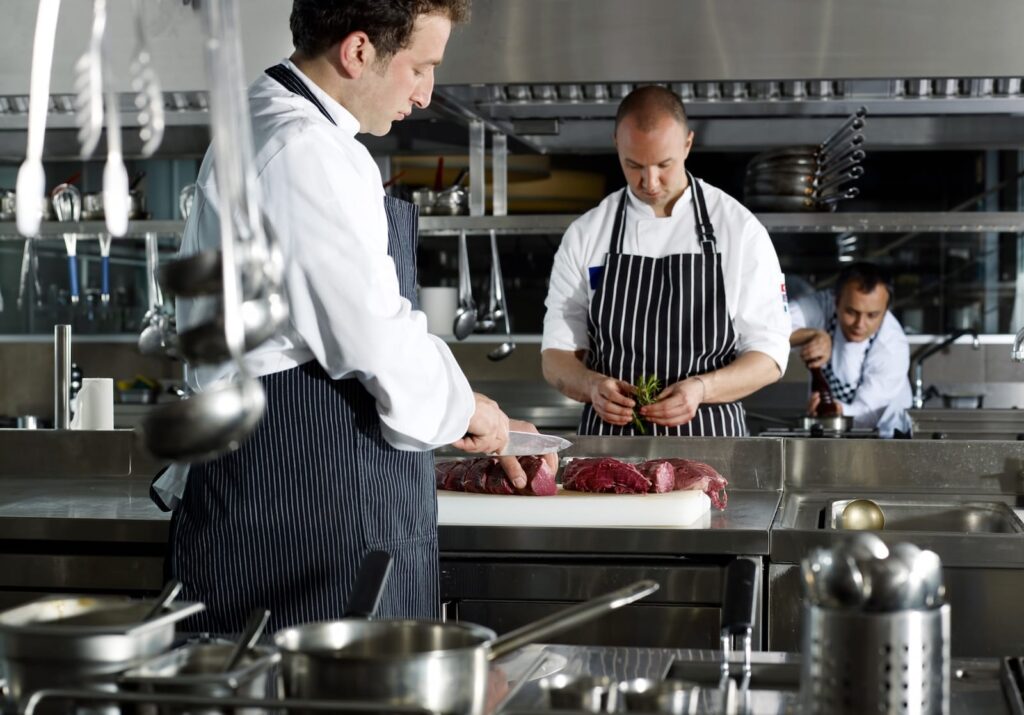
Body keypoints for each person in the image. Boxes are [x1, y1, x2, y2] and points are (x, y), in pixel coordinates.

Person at [166, 0, 552, 634]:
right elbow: (371, 338)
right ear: (358, 51)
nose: (425, 95)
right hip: (306, 506)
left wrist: (461, 407)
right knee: (330, 681)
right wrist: (468, 410)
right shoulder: (303, 149)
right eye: (420, 68)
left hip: (282, 491)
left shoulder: (269, 125)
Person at [541, 85, 791, 436]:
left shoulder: (739, 229)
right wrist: (590, 385)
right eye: (633, 165)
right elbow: (556, 357)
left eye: (664, 164)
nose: (650, 182)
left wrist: (701, 389)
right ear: (617, 144)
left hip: (711, 444)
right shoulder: (587, 233)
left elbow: (770, 356)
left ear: (687, 144)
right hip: (611, 448)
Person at [789, 262, 913, 437]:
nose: (860, 324)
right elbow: (773, 328)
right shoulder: (823, 306)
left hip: (886, 435)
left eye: (872, 315)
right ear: (836, 301)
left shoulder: (892, 346)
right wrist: (811, 335)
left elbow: (868, 413)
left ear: (886, 310)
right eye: (851, 312)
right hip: (833, 431)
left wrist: (835, 410)